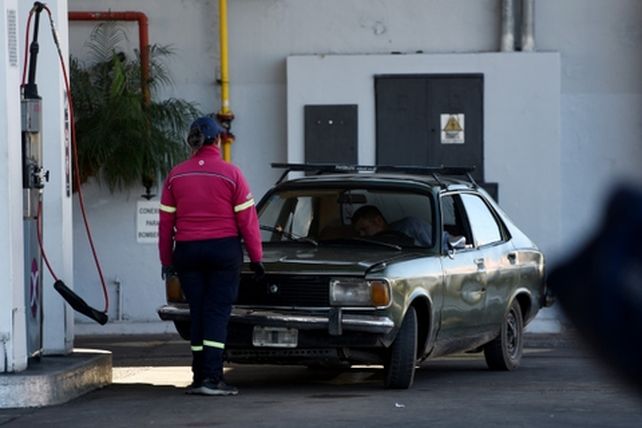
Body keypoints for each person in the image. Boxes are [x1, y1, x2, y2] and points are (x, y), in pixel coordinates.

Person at [158, 116, 264, 396]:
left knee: (198, 313)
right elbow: (248, 222)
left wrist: (166, 261)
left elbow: (166, 224)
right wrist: (256, 257)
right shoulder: (232, 174)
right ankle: (213, 379)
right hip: (223, 250)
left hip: (187, 251)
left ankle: (197, 376)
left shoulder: (176, 175)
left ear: (192, 141)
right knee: (217, 312)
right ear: (217, 140)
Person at [351, 205, 432, 247]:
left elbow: (442, 245)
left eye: (364, 229)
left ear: (378, 221)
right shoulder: (367, 245)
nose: (362, 234)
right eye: (359, 232)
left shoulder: (411, 226)